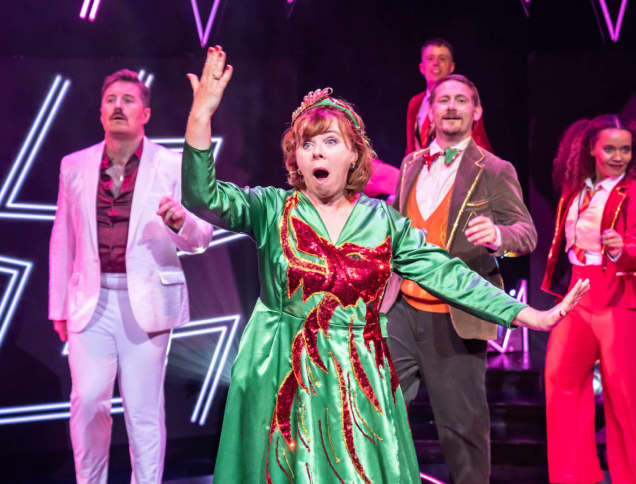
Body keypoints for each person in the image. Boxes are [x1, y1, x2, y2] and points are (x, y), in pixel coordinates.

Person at [180, 46, 589, 483]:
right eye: (307, 144)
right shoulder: (271, 208)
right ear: (295, 158)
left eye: (330, 142)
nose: (317, 153)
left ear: (354, 155)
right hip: (283, 369)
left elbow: (448, 275)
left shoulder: (384, 224)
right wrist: (201, 116)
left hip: (358, 376)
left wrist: (530, 315)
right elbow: (203, 197)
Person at [49, 69, 214, 484]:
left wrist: (180, 222)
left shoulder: (171, 165)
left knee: (142, 411)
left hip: (147, 303)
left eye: (127, 99)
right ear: (101, 112)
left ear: (146, 113)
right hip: (90, 301)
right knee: (87, 402)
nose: (118, 105)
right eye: (110, 99)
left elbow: (202, 238)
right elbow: (62, 238)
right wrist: (57, 306)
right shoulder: (74, 166)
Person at [382, 73, 537, 483]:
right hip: (400, 310)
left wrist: (499, 237)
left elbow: (526, 234)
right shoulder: (411, 164)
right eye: (443, 100)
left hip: (456, 316)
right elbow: (398, 228)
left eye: (461, 100)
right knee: (380, 409)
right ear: (429, 111)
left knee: (461, 428)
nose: (451, 107)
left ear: (476, 111)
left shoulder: (495, 169)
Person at [541, 115, 636, 484]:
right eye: (610, 148)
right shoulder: (576, 190)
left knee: (623, 399)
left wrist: (623, 247)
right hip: (580, 293)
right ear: (591, 148)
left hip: (626, 296)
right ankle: (574, 477)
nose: (619, 156)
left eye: (625, 149)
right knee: (559, 379)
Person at [405, 38, 492, 155]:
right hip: (422, 170)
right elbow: (411, 148)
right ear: (422, 67)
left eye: (442, 59)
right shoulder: (415, 102)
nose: (436, 63)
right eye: (430, 59)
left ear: (451, 67)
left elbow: (479, 142)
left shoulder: (464, 100)